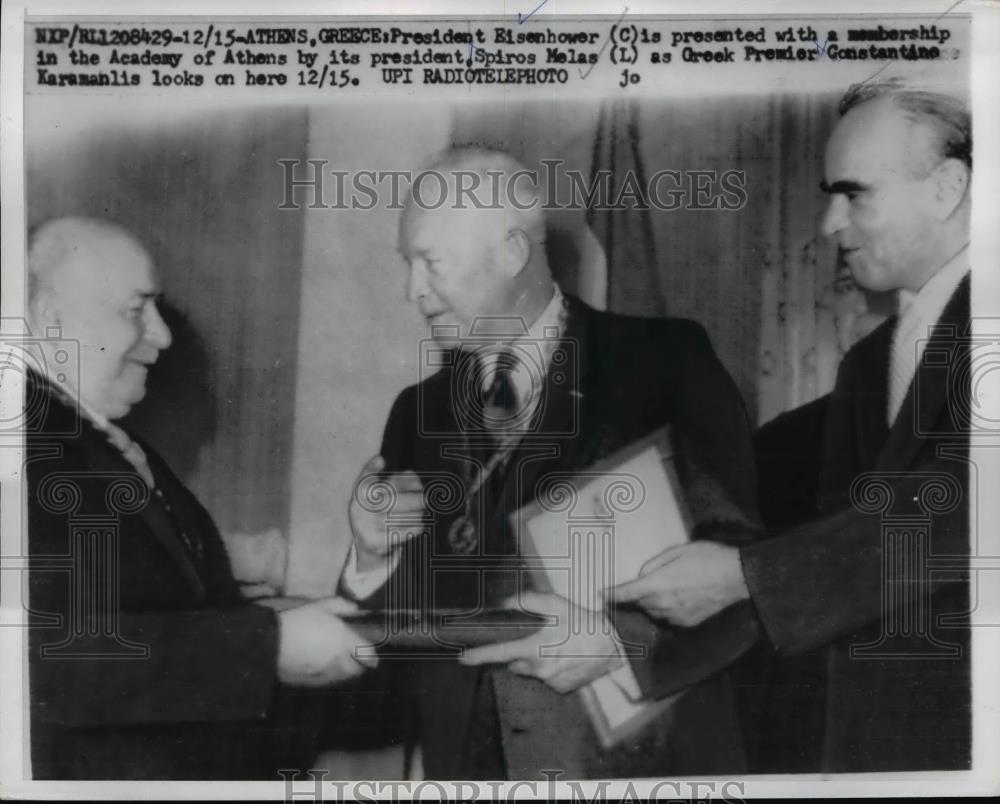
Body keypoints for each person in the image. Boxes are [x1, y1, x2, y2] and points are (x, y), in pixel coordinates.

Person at [341, 146, 763, 779]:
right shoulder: (415, 411)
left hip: (628, 765)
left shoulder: (664, 363)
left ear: (512, 254)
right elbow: (394, 632)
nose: (413, 291)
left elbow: (746, 574)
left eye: (430, 263)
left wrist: (619, 642)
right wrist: (371, 555)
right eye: (408, 266)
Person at [610, 82, 973, 772]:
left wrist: (749, 577)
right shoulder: (877, 359)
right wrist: (633, 488)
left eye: (854, 193)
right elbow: (775, 469)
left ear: (947, 187)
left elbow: (959, 510)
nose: (830, 223)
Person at [24, 216, 375, 779]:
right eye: (135, 309)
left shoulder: (107, 445)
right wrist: (264, 646)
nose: (162, 336)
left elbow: (151, 610)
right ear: (49, 318)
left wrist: (272, 622)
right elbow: (38, 655)